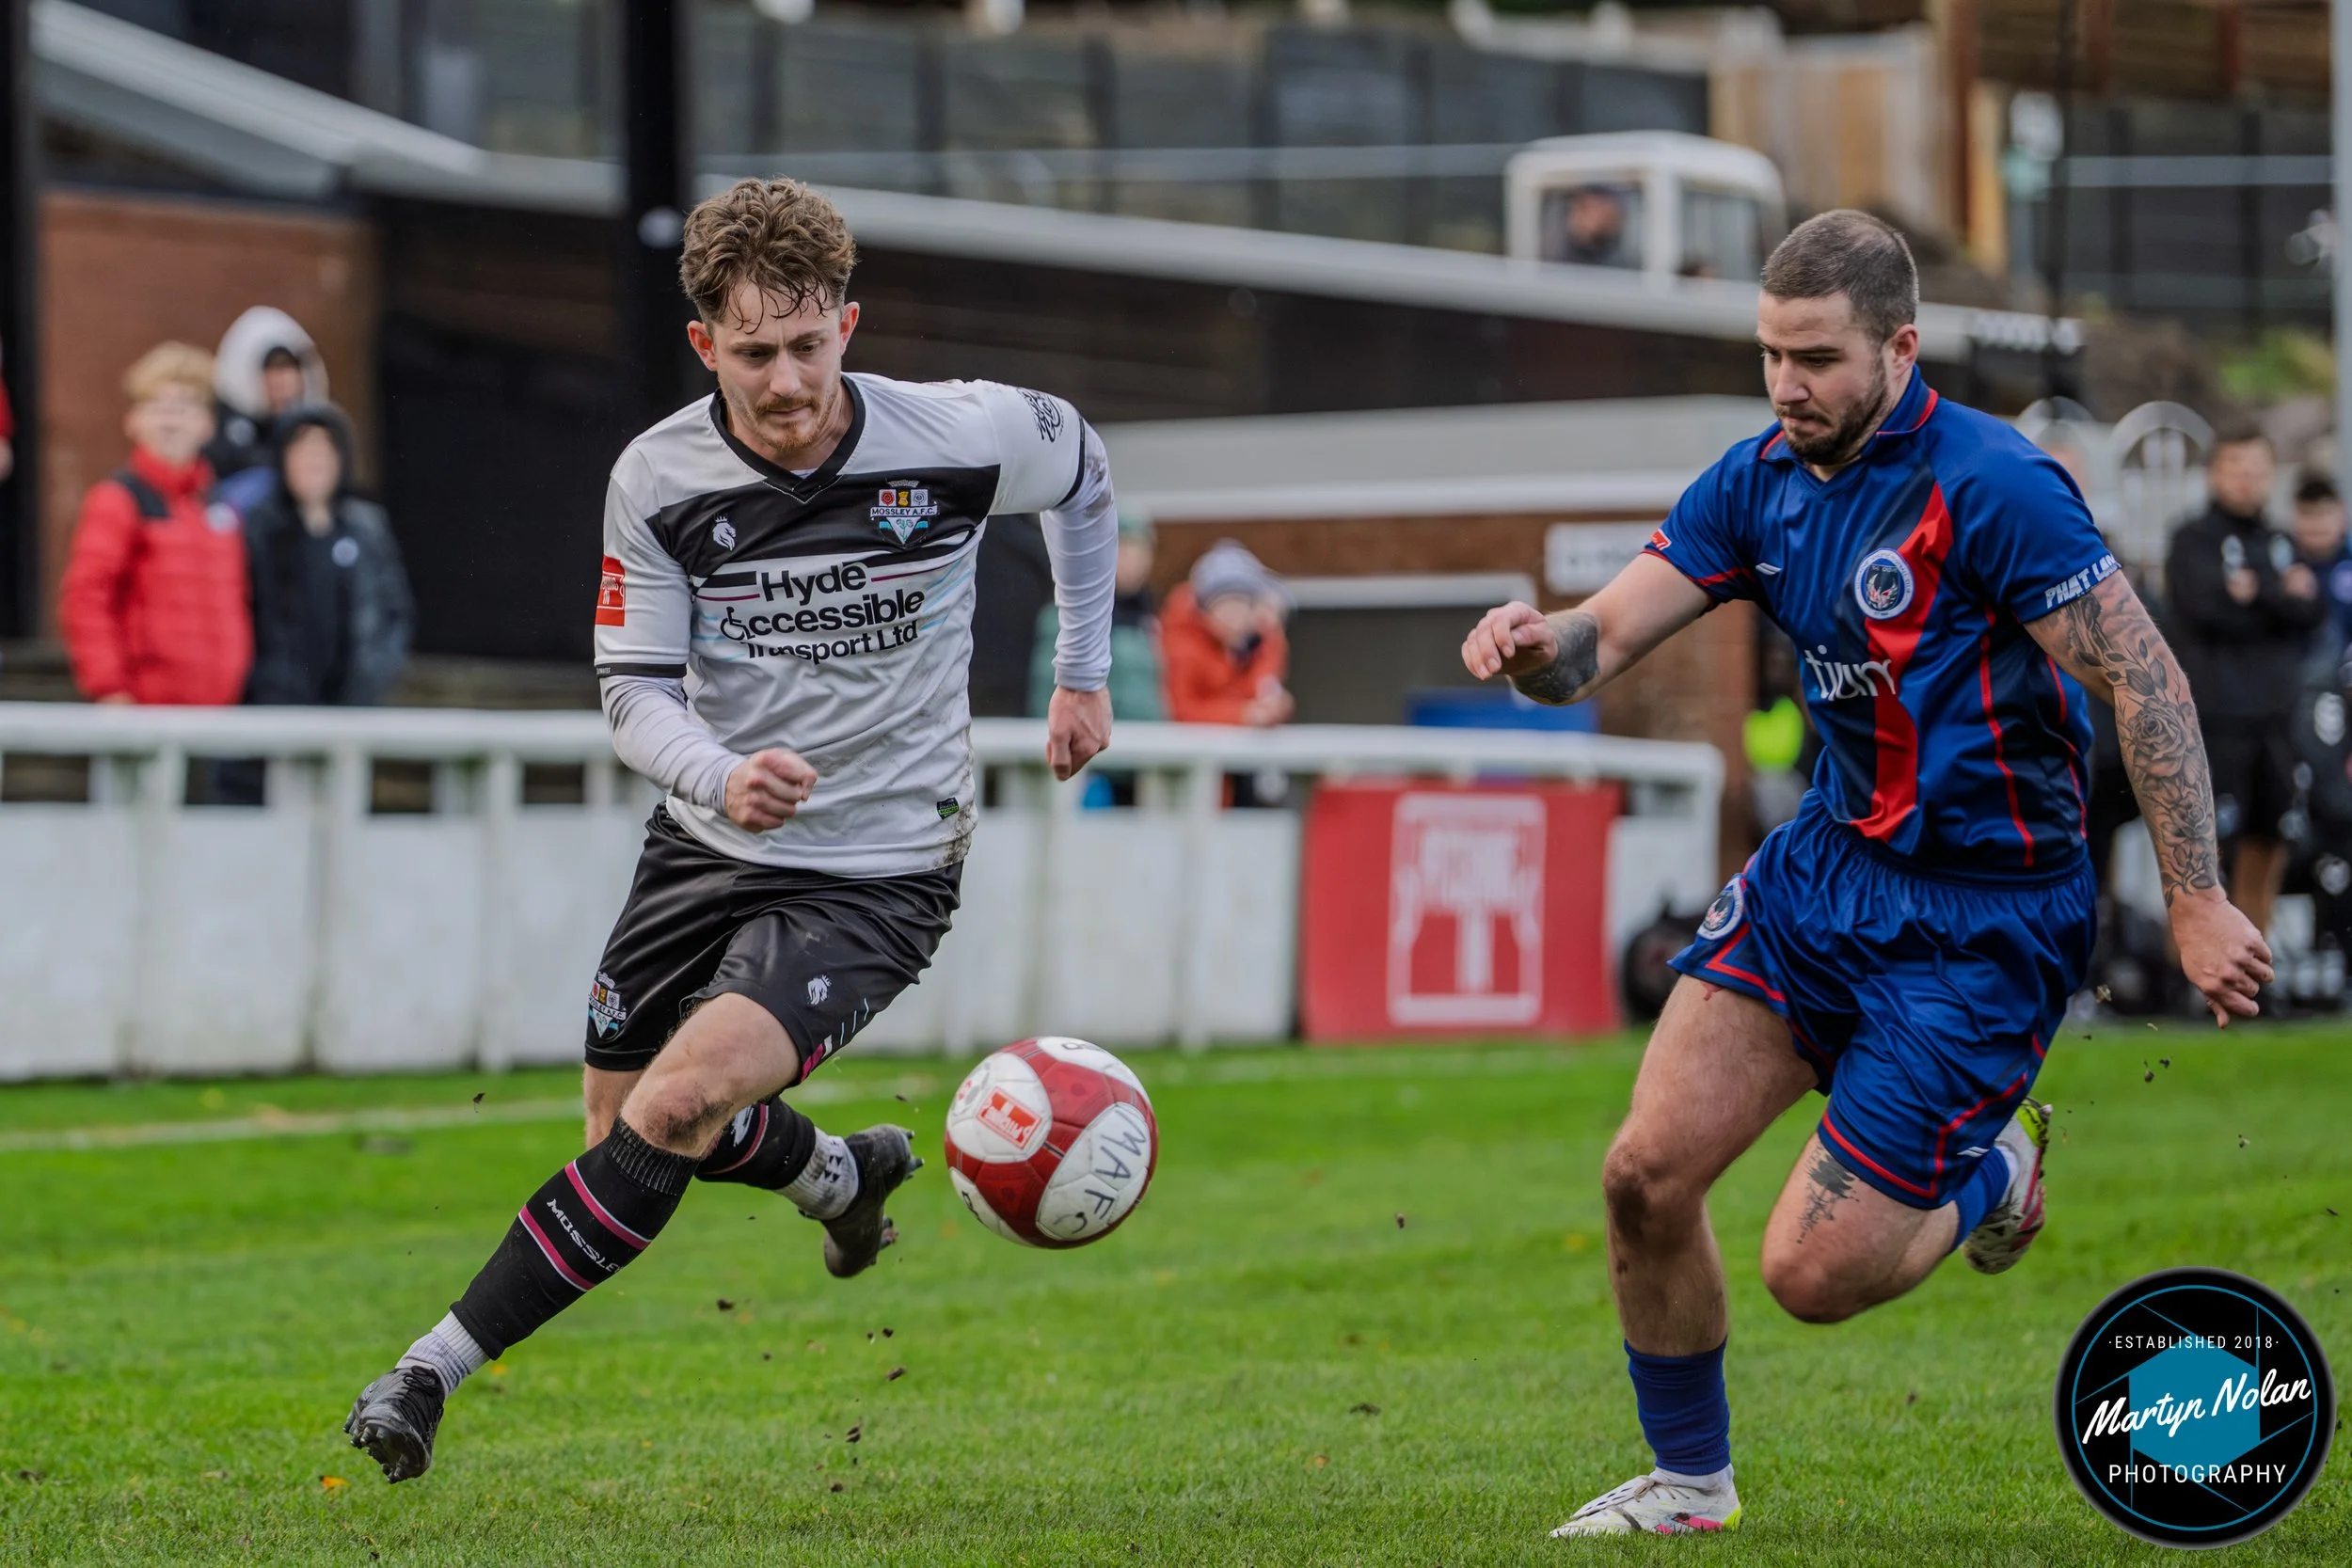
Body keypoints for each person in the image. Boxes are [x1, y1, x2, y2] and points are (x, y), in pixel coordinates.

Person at [1462, 210, 2267, 1537]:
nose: (1787, 386)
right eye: (1771, 354)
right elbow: (1600, 637)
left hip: (1985, 920)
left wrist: (2195, 894)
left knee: (1810, 1272)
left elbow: (2146, 678)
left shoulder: (1993, 484)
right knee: (1641, 1175)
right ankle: (1690, 1486)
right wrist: (1535, 644)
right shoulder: (1755, 480)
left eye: (1818, 359)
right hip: (1825, 877)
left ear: (1900, 347)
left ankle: (1994, 1170)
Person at [343, 178, 1119, 1483]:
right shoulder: (657, 476)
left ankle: (426, 1369)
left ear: (848, 325)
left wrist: (1081, 673)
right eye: (754, 353)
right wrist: (718, 772)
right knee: (623, 1134)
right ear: (705, 344)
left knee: (681, 1101)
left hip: (879, 868)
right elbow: (631, 688)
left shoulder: (962, 432)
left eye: (809, 345)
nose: (788, 381)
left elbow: (1084, 471)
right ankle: (840, 1176)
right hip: (707, 838)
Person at [2165, 425, 2326, 952]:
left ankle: (2255, 962)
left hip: (2277, 720)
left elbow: (2310, 609)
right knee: (2203, 849)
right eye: (2236, 468)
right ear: (2215, 473)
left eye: (2257, 470)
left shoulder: (2279, 541)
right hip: (2215, 721)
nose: (2246, 479)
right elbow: (2205, 609)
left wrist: (2257, 594)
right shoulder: (2192, 539)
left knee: (2272, 838)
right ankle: (2190, 968)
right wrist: (2276, 597)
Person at [58, 342, 250, 707]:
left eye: (185, 407)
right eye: (158, 407)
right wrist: (109, 688)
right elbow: (86, 598)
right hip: (144, 713)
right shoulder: (118, 500)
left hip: (218, 715)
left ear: (208, 424)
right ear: (132, 421)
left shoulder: (219, 508)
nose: (171, 421)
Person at [242, 404, 415, 706]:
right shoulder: (258, 530)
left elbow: (395, 613)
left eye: (324, 449)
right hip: (276, 704)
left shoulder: (367, 529)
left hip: (352, 704)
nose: (313, 461)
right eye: (302, 449)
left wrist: (374, 676)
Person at [1030, 508, 1163, 721]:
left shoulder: (1146, 620)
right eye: (1123, 549)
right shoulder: (1069, 617)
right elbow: (1049, 696)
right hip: (1095, 740)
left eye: (1141, 552)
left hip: (1145, 741)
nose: (1134, 563)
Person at [1162, 540, 1293, 726]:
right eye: (1225, 607)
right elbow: (1179, 709)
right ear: (1205, 611)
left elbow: (1263, 687)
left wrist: (1273, 707)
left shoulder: (1260, 643)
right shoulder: (1181, 645)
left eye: (1241, 605)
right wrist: (1241, 715)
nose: (1234, 617)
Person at [205, 306, 328, 502]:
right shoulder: (224, 430)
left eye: (290, 369)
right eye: (272, 370)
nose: (283, 380)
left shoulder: (316, 426)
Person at [2288, 473, 2352, 664]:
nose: (2317, 523)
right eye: (2307, 514)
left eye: (2325, 513)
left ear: (2342, 514)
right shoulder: (2284, 569)